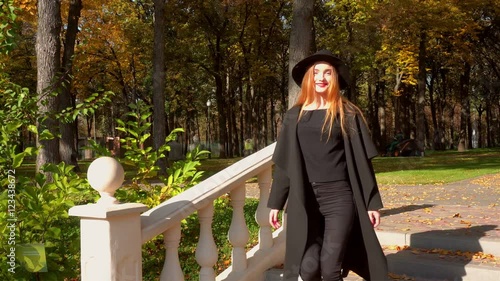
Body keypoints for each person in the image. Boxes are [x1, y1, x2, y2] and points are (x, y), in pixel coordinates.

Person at [267, 50, 388, 281]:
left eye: (327, 73)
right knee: (308, 268)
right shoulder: (294, 116)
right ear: (307, 78)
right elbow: (285, 165)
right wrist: (275, 202)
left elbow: (362, 162)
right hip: (305, 201)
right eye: (315, 73)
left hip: (339, 200)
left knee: (330, 267)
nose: (321, 78)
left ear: (335, 78)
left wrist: (372, 202)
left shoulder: (347, 113)